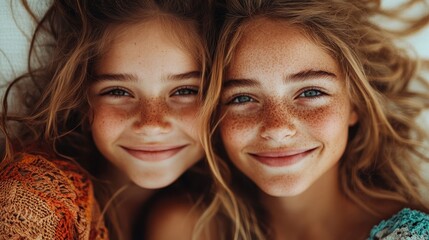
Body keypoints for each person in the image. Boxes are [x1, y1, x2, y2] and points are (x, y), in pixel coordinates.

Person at [200, 0, 429, 239]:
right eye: (242, 98)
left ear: (355, 104)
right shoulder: (192, 228)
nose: (278, 128)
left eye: (311, 92)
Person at [0, 0, 212, 239]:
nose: (152, 124)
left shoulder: (220, 217)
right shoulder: (34, 199)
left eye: (185, 91)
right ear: (80, 96)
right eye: (118, 92)